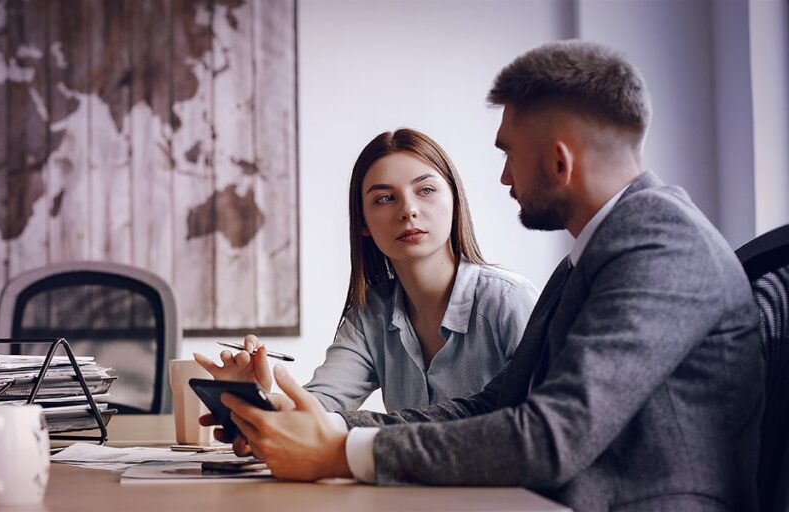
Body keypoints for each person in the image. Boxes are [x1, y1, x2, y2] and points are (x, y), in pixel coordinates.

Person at [209, 40, 764, 511]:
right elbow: (491, 405)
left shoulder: (663, 247)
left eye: (509, 154)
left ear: (559, 161)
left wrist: (340, 454)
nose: (502, 177)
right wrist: (333, 432)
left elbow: (550, 436)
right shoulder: (594, 255)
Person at [195, 128, 539, 412]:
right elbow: (320, 406)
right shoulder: (371, 313)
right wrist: (255, 402)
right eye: (385, 198)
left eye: (427, 190)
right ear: (363, 223)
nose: (409, 210)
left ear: (454, 201)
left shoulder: (506, 301)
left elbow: (544, 425)